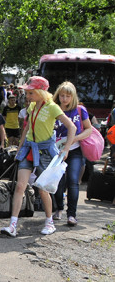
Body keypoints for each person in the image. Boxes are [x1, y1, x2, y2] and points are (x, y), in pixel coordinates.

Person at [0, 76, 75, 237]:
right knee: (20, 186)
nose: (27, 96)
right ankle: (12, 225)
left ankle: (49, 222)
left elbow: (72, 127)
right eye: (27, 93)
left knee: (43, 189)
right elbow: (27, 128)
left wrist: (66, 149)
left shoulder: (53, 107)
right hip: (28, 149)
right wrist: (19, 149)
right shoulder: (32, 106)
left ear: (41, 92)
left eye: (31, 93)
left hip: (45, 152)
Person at [52, 82, 94, 226]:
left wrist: (74, 139)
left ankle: (71, 215)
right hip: (57, 151)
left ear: (73, 96)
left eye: (68, 96)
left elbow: (89, 129)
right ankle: (59, 208)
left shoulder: (80, 110)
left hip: (75, 150)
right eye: (62, 95)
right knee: (58, 182)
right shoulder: (53, 109)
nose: (64, 99)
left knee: (73, 180)